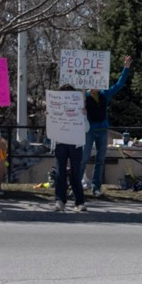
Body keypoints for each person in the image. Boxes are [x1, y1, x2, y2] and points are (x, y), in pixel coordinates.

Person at [83, 55, 133, 196]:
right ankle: (76, 185)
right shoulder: (84, 96)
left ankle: (96, 187)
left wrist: (126, 68)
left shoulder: (105, 94)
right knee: (84, 158)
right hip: (89, 130)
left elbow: (119, 85)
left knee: (100, 160)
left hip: (102, 130)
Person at [52, 85, 87, 213]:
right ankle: (60, 200)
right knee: (60, 172)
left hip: (76, 144)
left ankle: (79, 202)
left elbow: (86, 129)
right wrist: (49, 117)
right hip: (61, 143)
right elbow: (51, 130)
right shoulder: (55, 109)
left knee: (75, 173)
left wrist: (83, 116)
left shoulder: (79, 109)